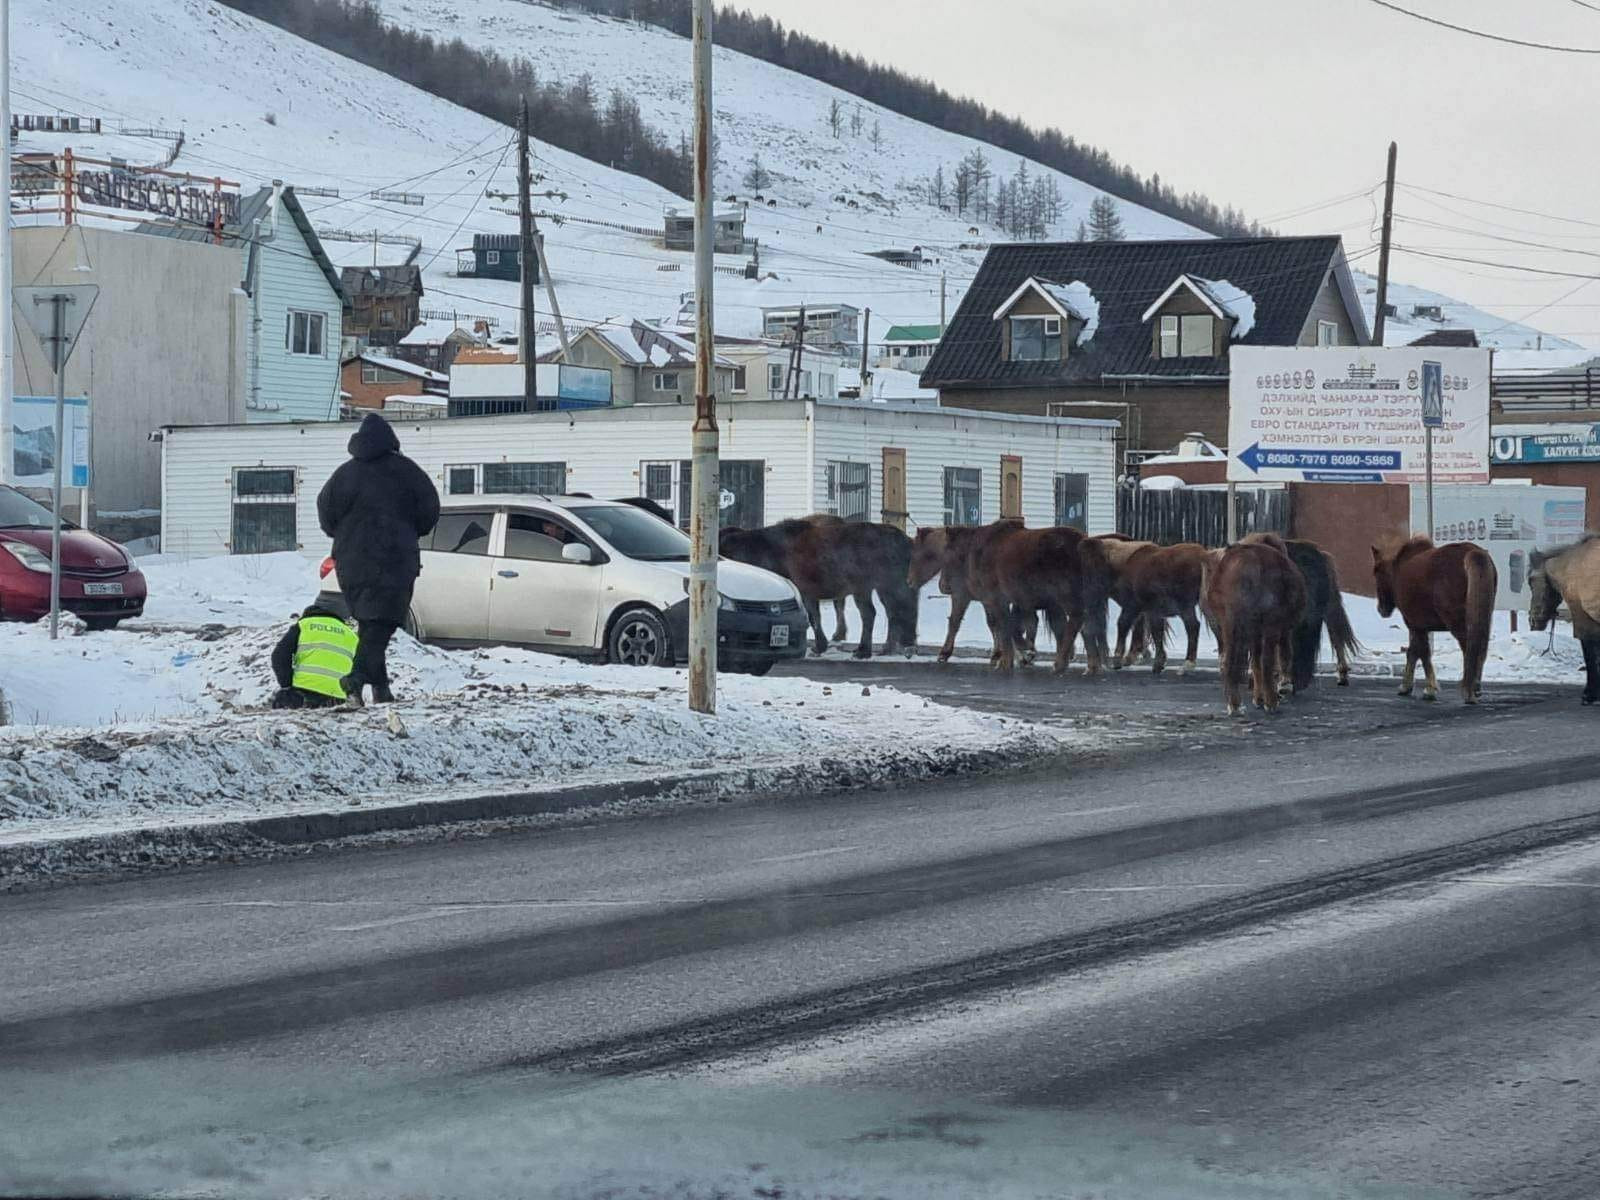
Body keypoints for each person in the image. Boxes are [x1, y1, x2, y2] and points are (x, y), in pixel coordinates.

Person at [316, 413, 440, 705]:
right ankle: (355, 679)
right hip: (394, 559)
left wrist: (344, 537)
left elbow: (325, 513)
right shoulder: (409, 472)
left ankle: (381, 691)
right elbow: (429, 511)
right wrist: (410, 530)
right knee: (382, 623)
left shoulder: (343, 475)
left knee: (371, 624)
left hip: (351, 561)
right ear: (392, 442)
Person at [270, 602, 359, 710]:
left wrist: (286, 685)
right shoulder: (351, 634)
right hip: (339, 696)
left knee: (281, 703)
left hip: (304, 691)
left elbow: (279, 656)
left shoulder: (304, 625)